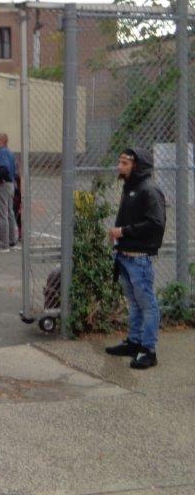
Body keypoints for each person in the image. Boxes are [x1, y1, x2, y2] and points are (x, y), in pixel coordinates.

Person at [104, 148, 165, 370]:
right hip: (125, 256)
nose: (119, 167)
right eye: (119, 162)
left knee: (147, 304)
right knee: (134, 303)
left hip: (139, 259)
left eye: (125, 163)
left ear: (137, 166)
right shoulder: (130, 187)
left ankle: (149, 350)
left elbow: (156, 223)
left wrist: (123, 231)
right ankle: (134, 342)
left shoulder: (149, 190)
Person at [0, 133, 18, 250]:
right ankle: (11, 240)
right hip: (10, 184)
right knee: (10, 213)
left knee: (2, 215)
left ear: (2, 140)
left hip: (3, 185)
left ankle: (3, 244)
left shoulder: (2, 152)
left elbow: (4, 169)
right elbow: (14, 171)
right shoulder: (10, 152)